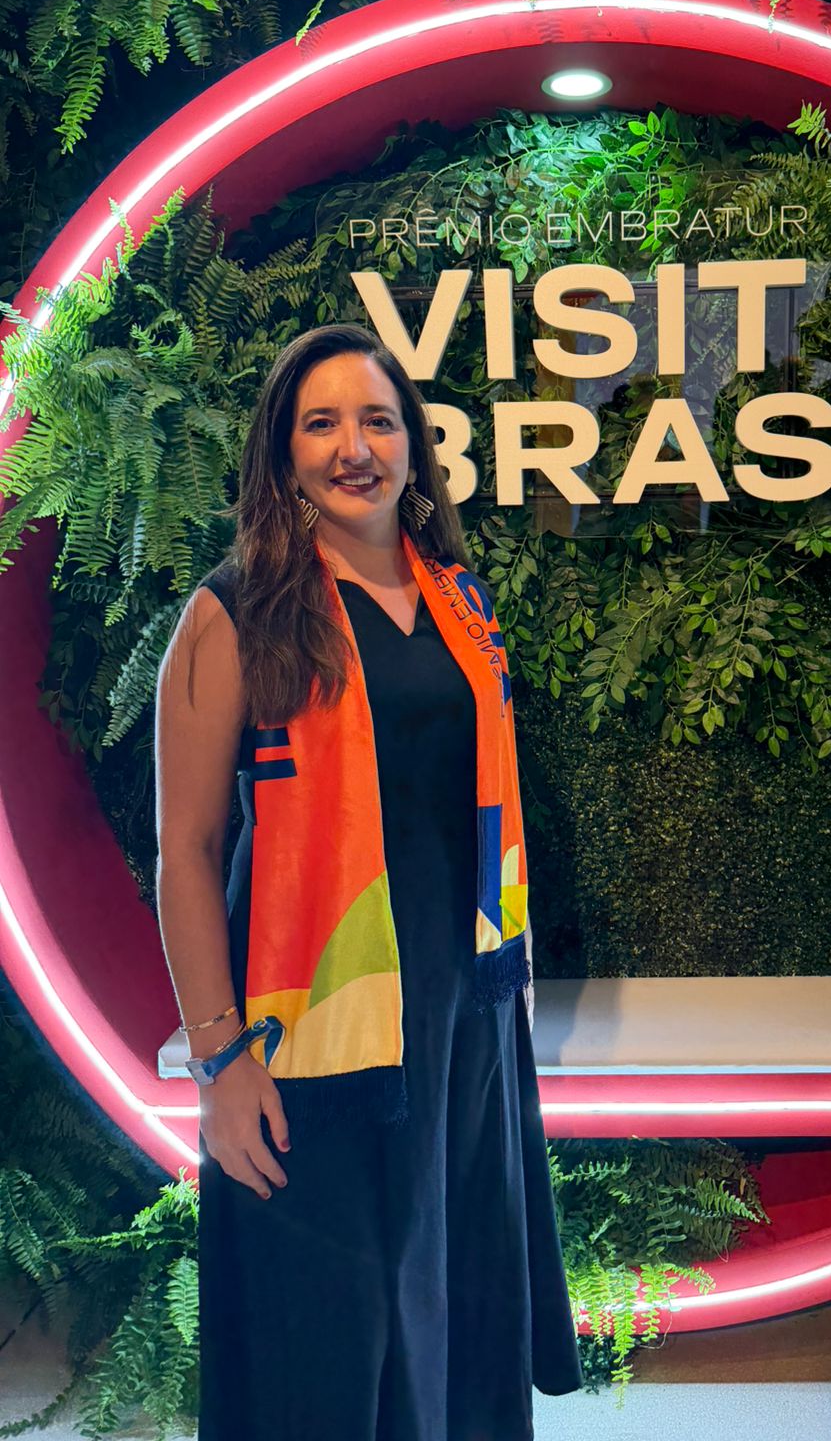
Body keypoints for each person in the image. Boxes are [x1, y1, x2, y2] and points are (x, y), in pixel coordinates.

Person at [154, 322, 584, 1440]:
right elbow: (186, 850)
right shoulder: (237, 613)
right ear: (283, 453)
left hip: (461, 1022)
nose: (355, 447)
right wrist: (220, 1061)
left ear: (413, 446)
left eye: (378, 421)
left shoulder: (460, 601)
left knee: (452, 1304)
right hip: (312, 1028)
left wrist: (502, 1014)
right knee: (333, 1327)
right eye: (322, 423)